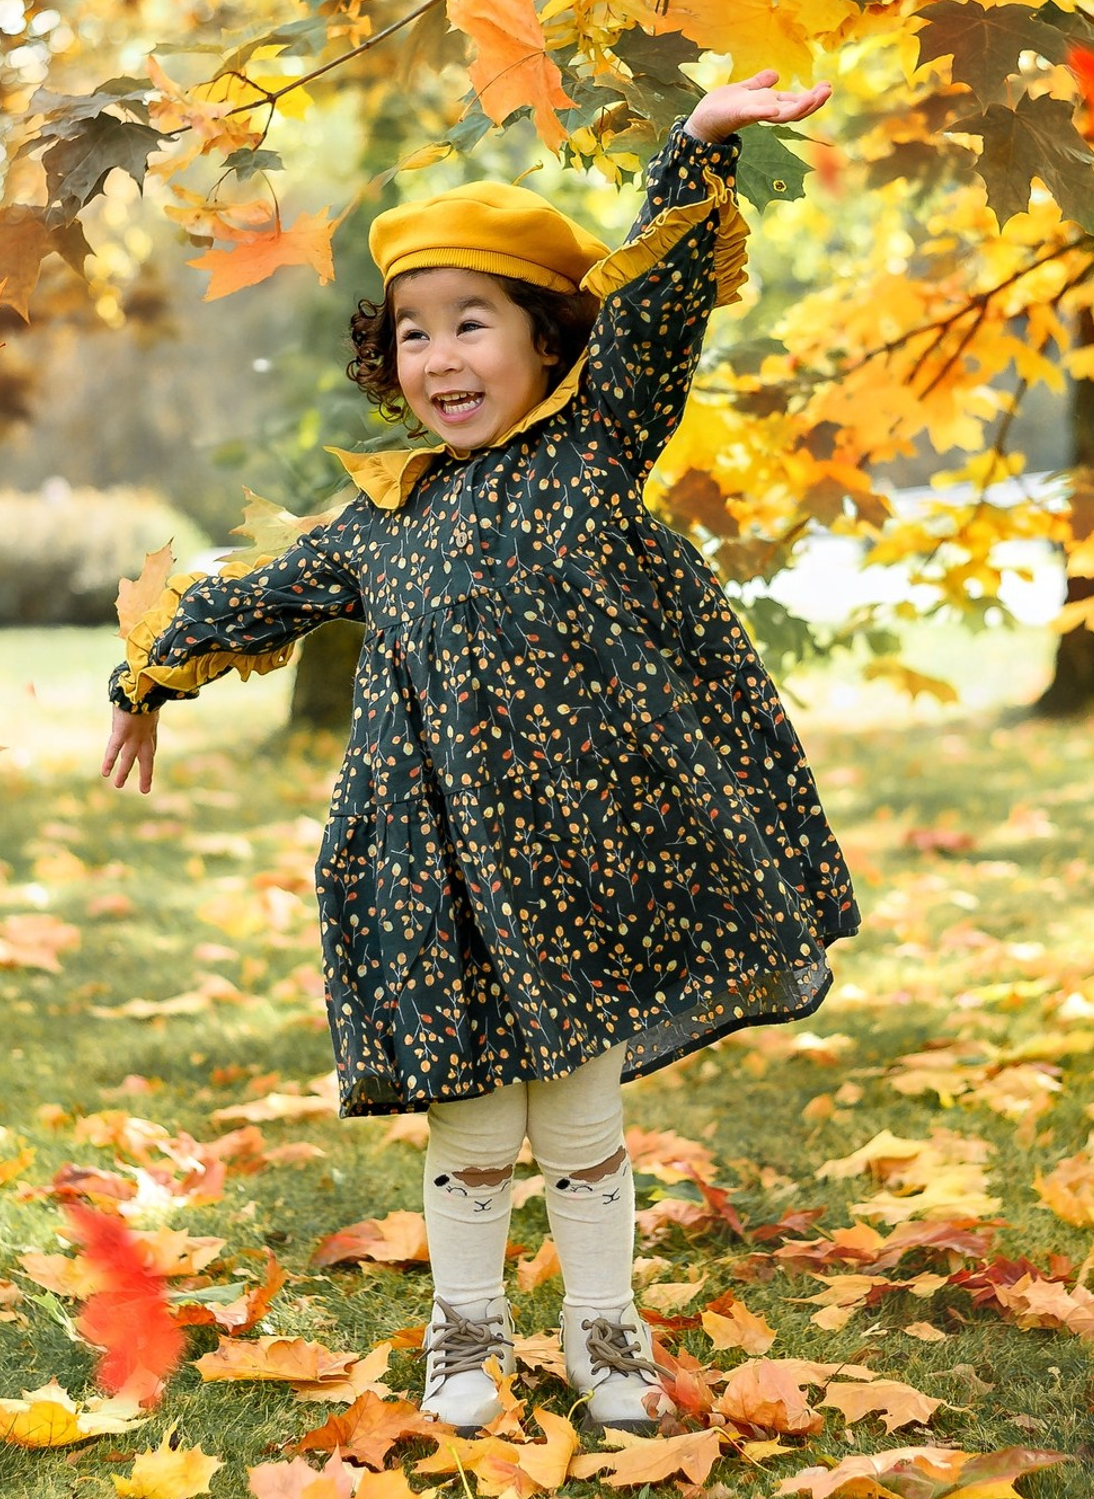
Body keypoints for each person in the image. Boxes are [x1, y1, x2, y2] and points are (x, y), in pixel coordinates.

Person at [102, 70, 858, 1435]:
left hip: (580, 852)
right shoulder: (382, 518)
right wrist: (146, 677)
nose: (440, 356)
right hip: (436, 861)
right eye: (413, 332)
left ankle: (605, 1334)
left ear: (548, 343)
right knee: (471, 1123)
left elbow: (658, 306)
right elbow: (254, 597)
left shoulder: (593, 448)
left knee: (578, 1120)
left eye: (473, 322)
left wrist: (694, 143)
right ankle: (466, 1335)